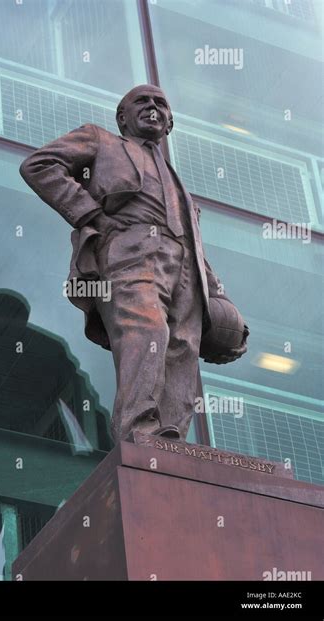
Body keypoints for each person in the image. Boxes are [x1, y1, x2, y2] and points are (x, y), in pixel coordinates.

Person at [20, 84, 248, 443]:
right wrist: (88, 212)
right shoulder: (99, 140)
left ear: (169, 122)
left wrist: (219, 296)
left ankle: (170, 441)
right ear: (122, 117)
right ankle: (138, 433)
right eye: (141, 101)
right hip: (130, 252)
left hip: (184, 265)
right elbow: (39, 165)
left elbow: (193, 242)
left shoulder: (178, 185)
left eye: (161, 103)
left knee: (183, 346)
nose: (153, 107)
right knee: (148, 330)